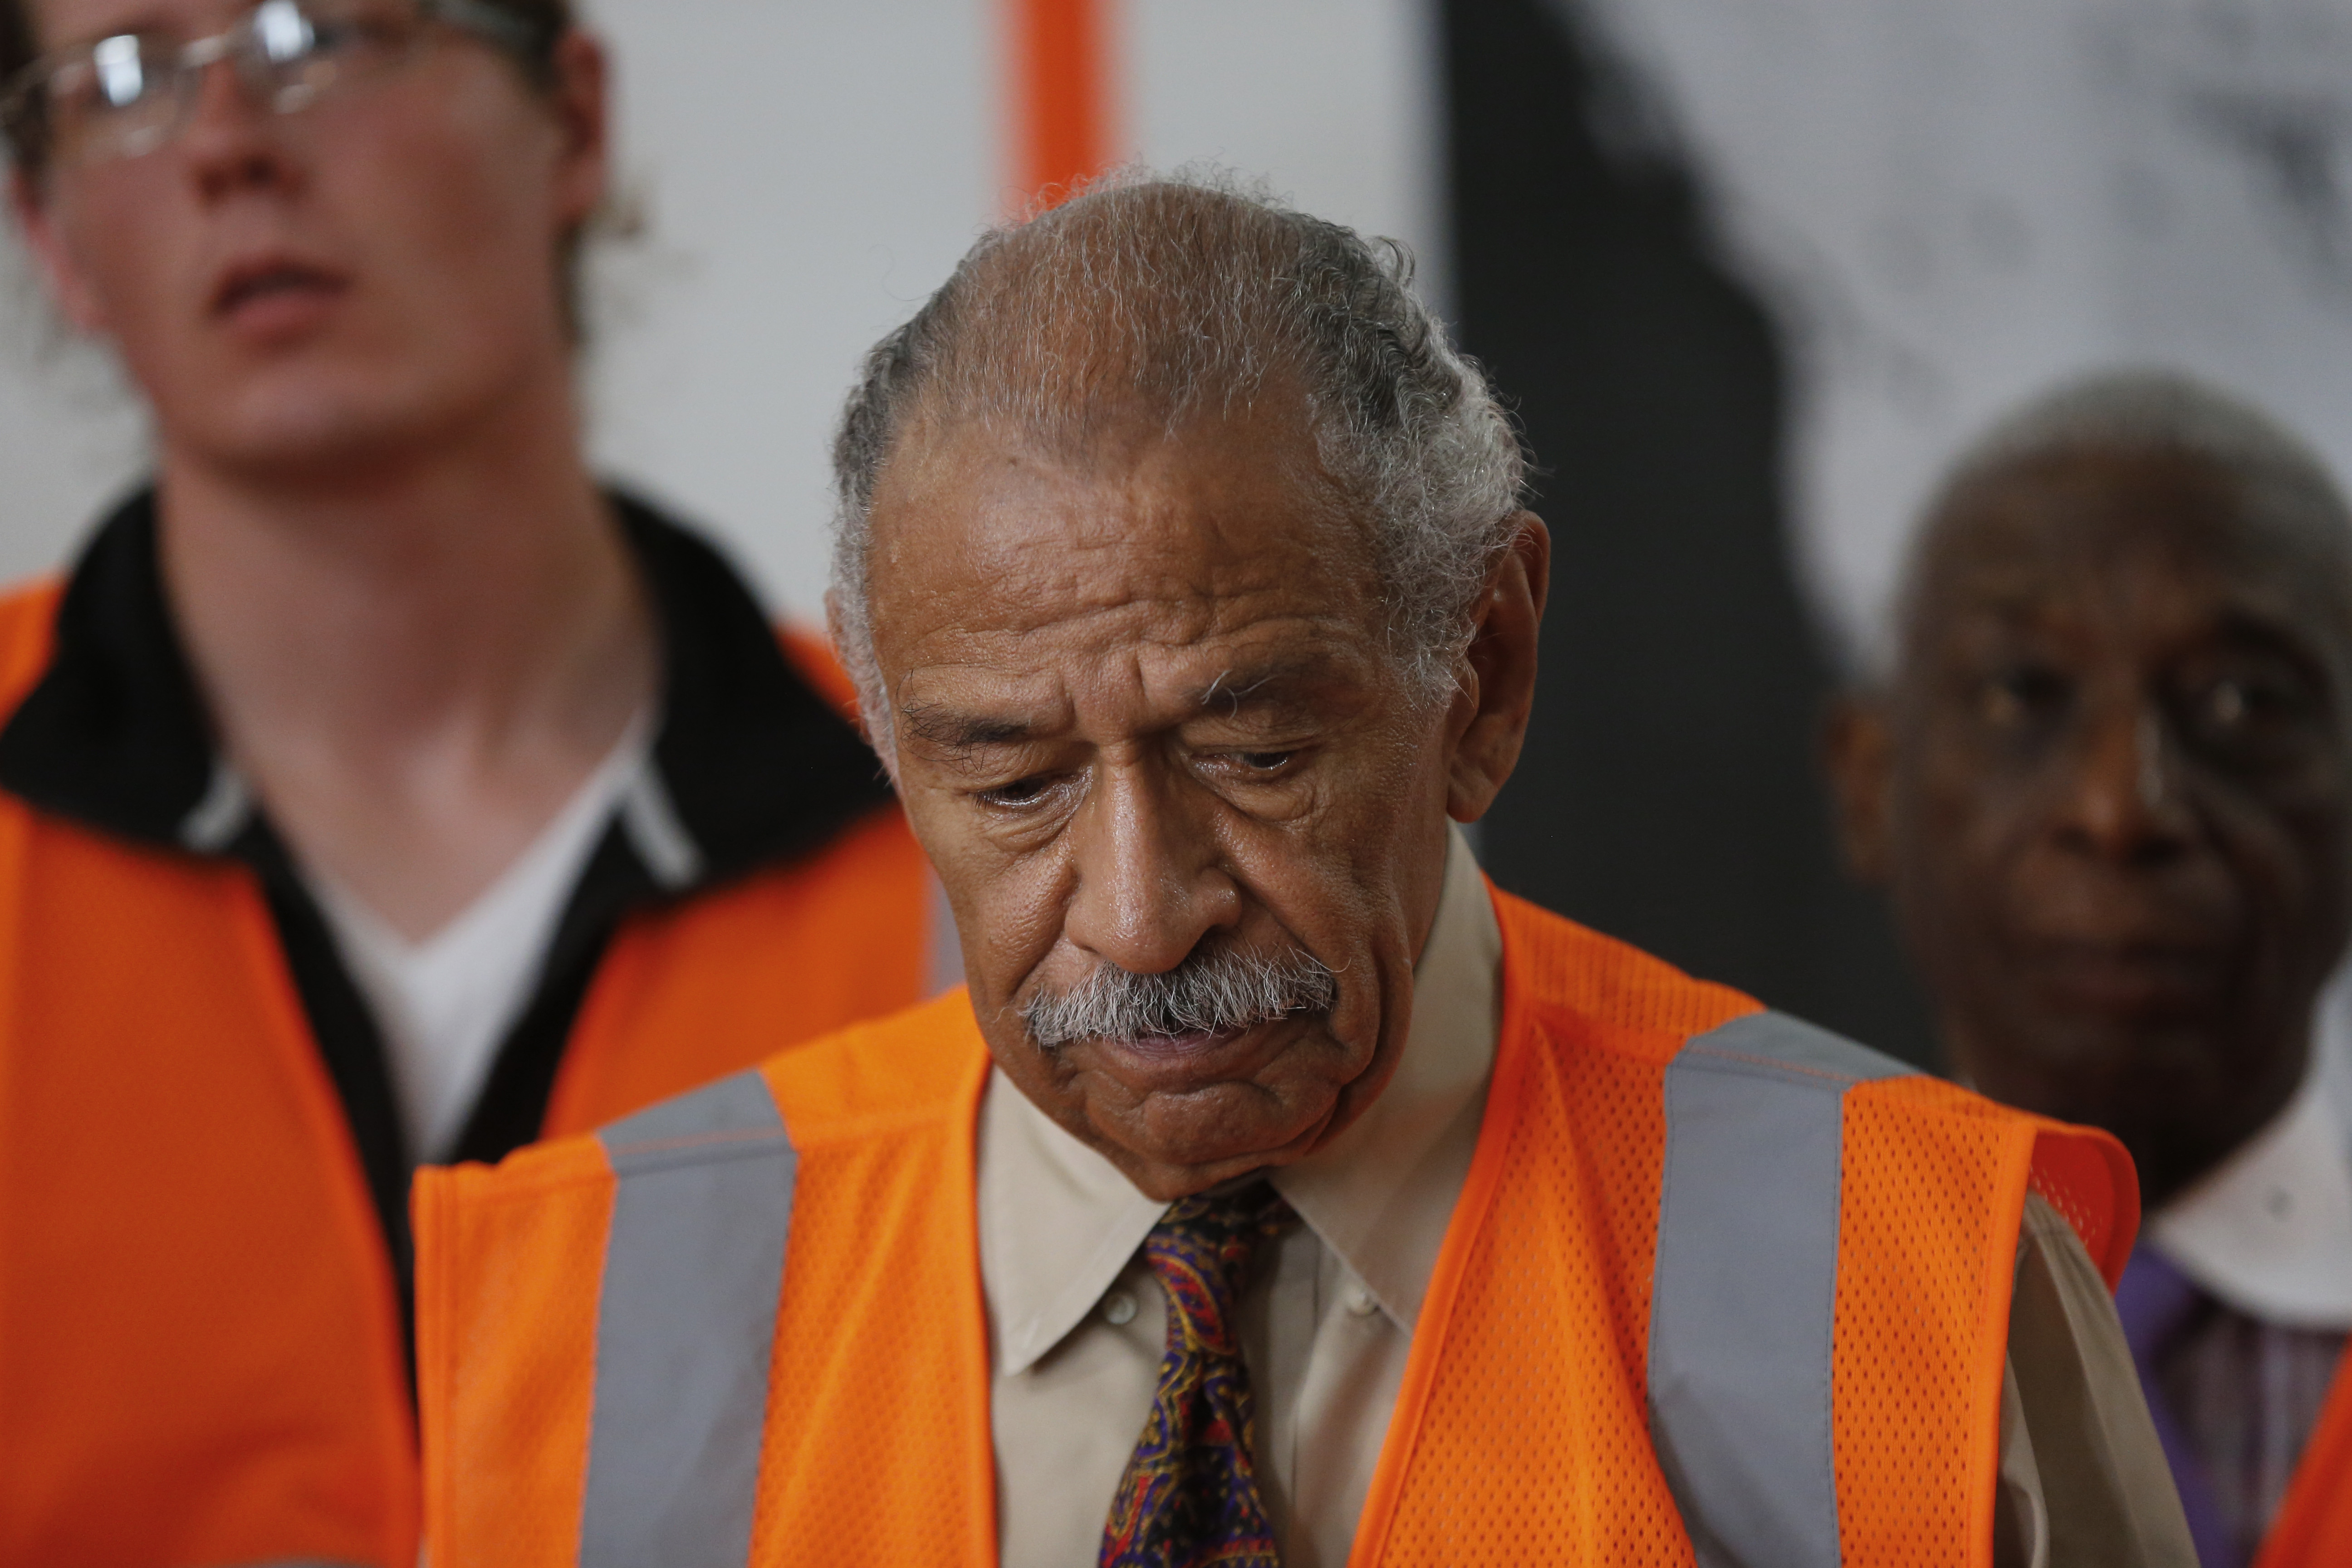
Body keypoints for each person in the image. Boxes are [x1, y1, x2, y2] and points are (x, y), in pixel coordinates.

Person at [416, 176, 2194, 1567]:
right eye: (1013, 781)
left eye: (1253, 755)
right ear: (888, 740)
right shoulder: (597, 1321)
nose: (1136, 908)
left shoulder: (1919, 1280)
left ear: (1480, 673)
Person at [0, 1, 944, 1563]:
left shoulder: (964, 845)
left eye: (324, 30)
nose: (231, 140)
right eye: (126, 76)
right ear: (51, 229)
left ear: (570, 117)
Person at [1825, 372, 2352, 1568]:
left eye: (2243, 702)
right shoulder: (1696, 1367)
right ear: (1869, 784)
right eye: (2023, 692)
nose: (2124, 807)